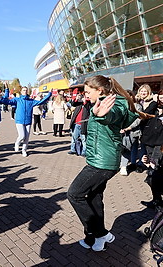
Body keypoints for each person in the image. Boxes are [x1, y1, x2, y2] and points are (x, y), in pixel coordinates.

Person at [67, 75, 139, 252]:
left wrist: (101, 116)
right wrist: (96, 113)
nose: (85, 95)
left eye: (87, 92)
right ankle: (95, 240)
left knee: (74, 194)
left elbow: (112, 116)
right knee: (94, 198)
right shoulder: (100, 103)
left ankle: (100, 233)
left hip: (102, 163)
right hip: (99, 159)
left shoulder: (115, 103)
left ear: (100, 90)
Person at [0, 85, 52, 157]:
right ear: (21, 91)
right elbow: (6, 101)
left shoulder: (31, 101)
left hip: (28, 121)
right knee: (22, 136)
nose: (25, 91)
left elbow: (41, 101)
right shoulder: (17, 100)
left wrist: (49, 94)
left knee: (27, 137)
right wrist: (6, 90)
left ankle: (24, 150)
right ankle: (17, 143)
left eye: (26, 90)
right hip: (19, 120)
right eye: (24, 90)